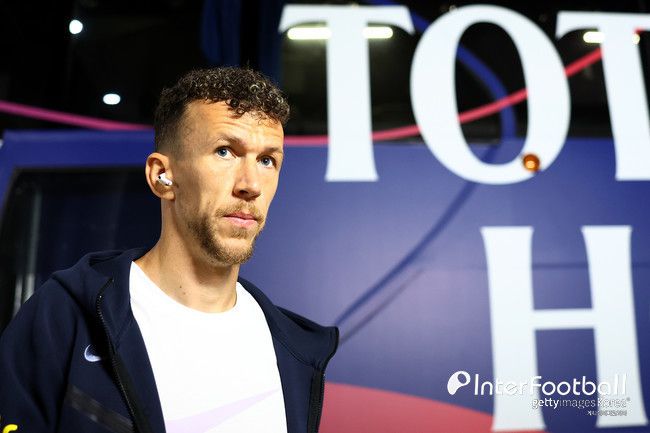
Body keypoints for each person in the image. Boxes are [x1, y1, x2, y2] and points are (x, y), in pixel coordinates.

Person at [0, 67, 338, 433]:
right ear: (162, 176)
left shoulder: (293, 352)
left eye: (267, 160)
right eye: (225, 151)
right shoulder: (66, 318)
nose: (251, 185)